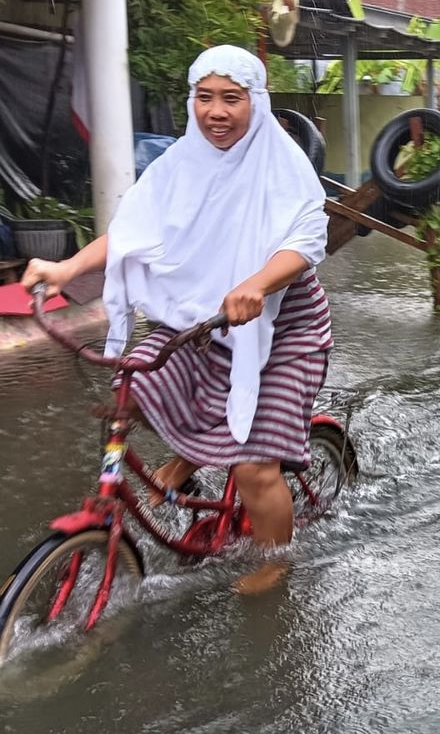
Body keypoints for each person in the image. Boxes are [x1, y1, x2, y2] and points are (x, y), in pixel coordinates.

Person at [22, 45, 331, 594]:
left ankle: (276, 562)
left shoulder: (283, 166)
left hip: (282, 326)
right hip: (202, 319)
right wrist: (66, 267)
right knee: (134, 386)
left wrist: (256, 283)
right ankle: (179, 463)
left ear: (255, 103)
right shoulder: (177, 165)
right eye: (204, 97)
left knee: (255, 466)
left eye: (231, 99)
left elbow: (306, 243)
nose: (216, 111)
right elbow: (132, 234)